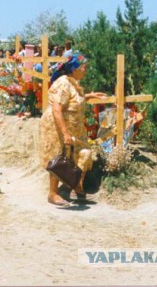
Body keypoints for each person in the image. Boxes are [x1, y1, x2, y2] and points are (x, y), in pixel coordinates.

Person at [38, 54, 107, 207]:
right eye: (83, 67)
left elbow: (73, 101)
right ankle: (53, 193)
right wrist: (65, 133)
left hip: (74, 126)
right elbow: (57, 110)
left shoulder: (73, 83)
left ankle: (75, 186)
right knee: (59, 157)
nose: (85, 70)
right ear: (74, 69)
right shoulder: (63, 84)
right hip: (57, 125)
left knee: (84, 153)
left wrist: (89, 96)